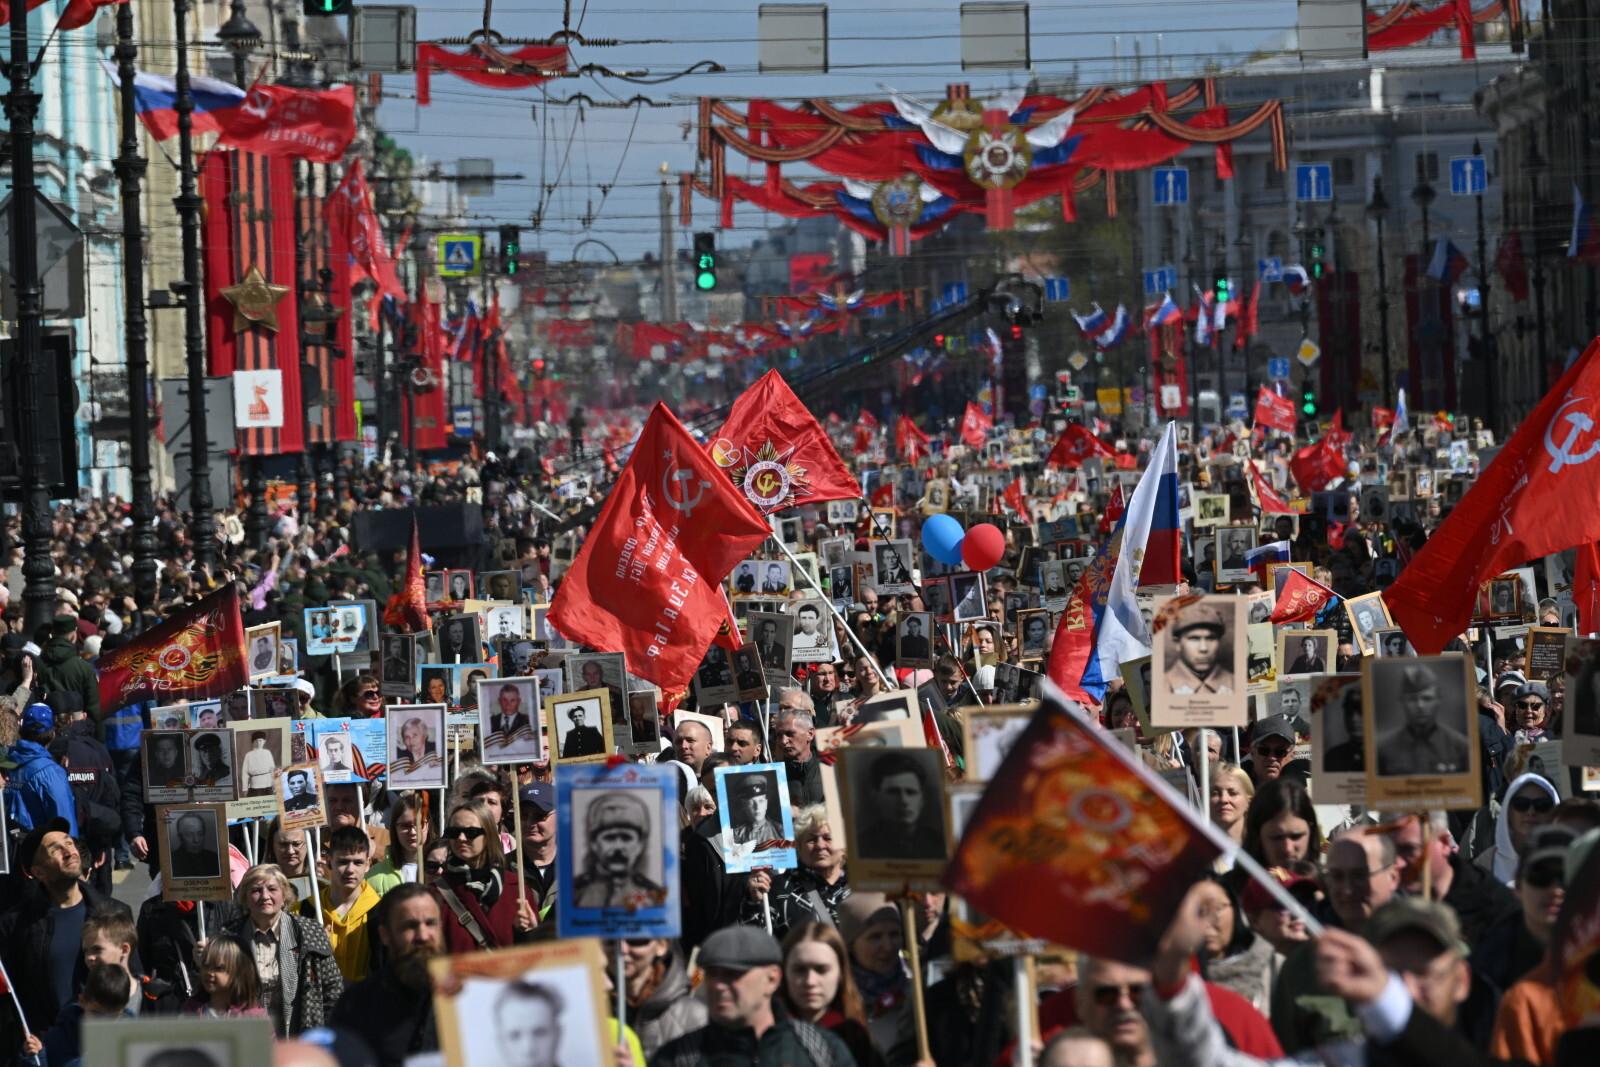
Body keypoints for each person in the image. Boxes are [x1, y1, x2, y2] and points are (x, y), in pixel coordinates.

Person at [0, 819, 132, 1051]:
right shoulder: (16, 925)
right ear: (38, 872)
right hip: (49, 1050)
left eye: (69, 843)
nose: (68, 851)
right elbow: (10, 997)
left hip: (107, 1045)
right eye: (55, 849)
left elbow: (134, 979)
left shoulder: (114, 912)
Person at [1271, 830, 1402, 1052]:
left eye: (1360, 875)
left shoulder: (1425, 949)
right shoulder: (1302, 966)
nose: (1347, 890)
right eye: (1337, 877)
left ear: (1393, 877)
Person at [650, 926, 854, 1067]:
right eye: (712, 974)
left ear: (772, 979)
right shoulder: (678, 1058)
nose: (719, 986)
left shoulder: (820, 1049)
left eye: (732, 974)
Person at [221, 864, 344, 1036]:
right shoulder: (231, 936)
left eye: (272, 889)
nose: (265, 896)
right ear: (245, 897)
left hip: (298, 1035)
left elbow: (333, 989)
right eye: (256, 890)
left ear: (284, 894)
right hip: (247, 1036)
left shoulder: (309, 932)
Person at [330, 884, 443, 1066]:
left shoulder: (468, 996)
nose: (423, 935)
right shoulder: (356, 1005)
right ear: (385, 935)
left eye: (430, 923)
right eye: (410, 926)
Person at [432, 801, 536, 952]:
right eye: (454, 832)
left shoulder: (516, 888)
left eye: (471, 832)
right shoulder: (436, 892)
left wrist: (529, 933)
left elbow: (535, 957)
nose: (461, 838)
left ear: (488, 835)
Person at [742, 805, 852, 940]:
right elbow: (755, 944)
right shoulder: (777, 889)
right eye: (811, 839)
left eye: (828, 838)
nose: (820, 845)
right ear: (799, 847)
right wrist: (755, 904)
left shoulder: (860, 888)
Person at [779, 923, 881, 1067]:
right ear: (784, 972)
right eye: (799, 970)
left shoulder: (857, 1038)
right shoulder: (765, 1035)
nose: (810, 981)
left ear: (840, 973)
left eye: (821, 970)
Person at [311, 825, 381, 983]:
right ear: (329, 861)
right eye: (343, 862)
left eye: (358, 862)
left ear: (368, 864)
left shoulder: (381, 913)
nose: (350, 870)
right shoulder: (305, 910)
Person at [617, 938, 708, 1058]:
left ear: (661, 945)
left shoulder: (694, 1016)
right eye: (610, 941)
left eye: (635, 940)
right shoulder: (590, 1008)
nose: (621, 949)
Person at [573, 791, 664, 909]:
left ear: (640, 844)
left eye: (626, 838)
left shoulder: (654, 895)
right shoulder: (574, 893)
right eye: (609, 838)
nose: (618, 846)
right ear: (594, 843)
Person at [1375, 665, 1471, 776]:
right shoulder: (1383, 749)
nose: (1420, 705)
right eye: (1412, 699)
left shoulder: (1461, 747)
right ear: (1402, 701)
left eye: (1427, 698)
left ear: (1438, 700)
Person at [7, 703, 80, 835]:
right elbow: (64, 826)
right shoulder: (51, 773)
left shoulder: (6, 763)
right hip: (39, 851)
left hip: (11, 849)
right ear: (52, 734)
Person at [856, 751, 943, 860]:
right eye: (893, 792)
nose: (903, 801)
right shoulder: (861, 846)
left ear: (922, 799)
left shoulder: (940, 845)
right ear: (876, 797)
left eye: (911, 792)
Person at [368, 791, 435, 895]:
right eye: (405, 826)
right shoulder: (373, 876)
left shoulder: (442, 870)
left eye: (419, 824)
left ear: (428, 825)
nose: (413, 832)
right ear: (395, 829)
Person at [1164, 602, 1235, 694]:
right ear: (1178, 643)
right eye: (1194, 638)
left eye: (1211, 638)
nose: (1203, 648)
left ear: (1219, 641)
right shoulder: (1159, 686)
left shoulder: (1237, 683)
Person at [189, 933, 266, 1018]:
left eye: (219, 968)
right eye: (206, 966)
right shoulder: (191, 1011)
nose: (209, 973)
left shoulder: (253, 1016)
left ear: (239, 972)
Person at [772, 702, 825, 807]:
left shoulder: (830, 768)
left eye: (790, 734)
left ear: (810, 734)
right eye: (779, 735)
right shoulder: (772, 777)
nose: (783, 741)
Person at [727, 773, 783, 846]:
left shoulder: (780, 831)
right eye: (751, 802)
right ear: (744, 805)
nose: (757, 807)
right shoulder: (736, 835)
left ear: (766, 803)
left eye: (761, 801)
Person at [1322, 686, 1366, 774]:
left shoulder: (1386, 756)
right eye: (1349, 712)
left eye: (1360, 711)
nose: (1354, 719)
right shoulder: (1332, 757)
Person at [169, 812, 221, 878]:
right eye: (189, 835)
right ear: (180, 837)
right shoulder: (172, 861)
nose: (196, 840)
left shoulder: (214, 858)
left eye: (200, 834)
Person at [487, 683, 533, 750]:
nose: (508, 705)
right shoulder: (490, 721)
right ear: (499, 701)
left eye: (512, 700)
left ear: (519, 701)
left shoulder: (527, 721)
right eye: (504, 700)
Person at [241, 732, 278, 796]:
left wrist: (274, 786)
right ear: (253, 742)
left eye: (260, 740)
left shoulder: (267, 753)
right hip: (255, 787)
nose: (258, 743)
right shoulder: (249, 755)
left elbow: (273, 770)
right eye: (256, 741)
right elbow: (245, 773)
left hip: (268, 785)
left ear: (264, 741)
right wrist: (245, 788)